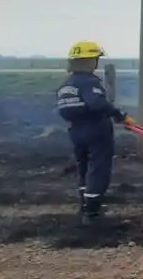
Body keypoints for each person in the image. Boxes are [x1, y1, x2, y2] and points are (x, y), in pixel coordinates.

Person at [55, 41, 130, 222]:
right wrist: (120, 116)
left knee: (84, 167)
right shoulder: (88, 81)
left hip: (76, 130)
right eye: (95, 59)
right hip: (96, 129)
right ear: (89, 61)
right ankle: (93, 212)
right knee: (99, 167)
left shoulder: (67, 84)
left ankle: (84, 205)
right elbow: (97, 103)